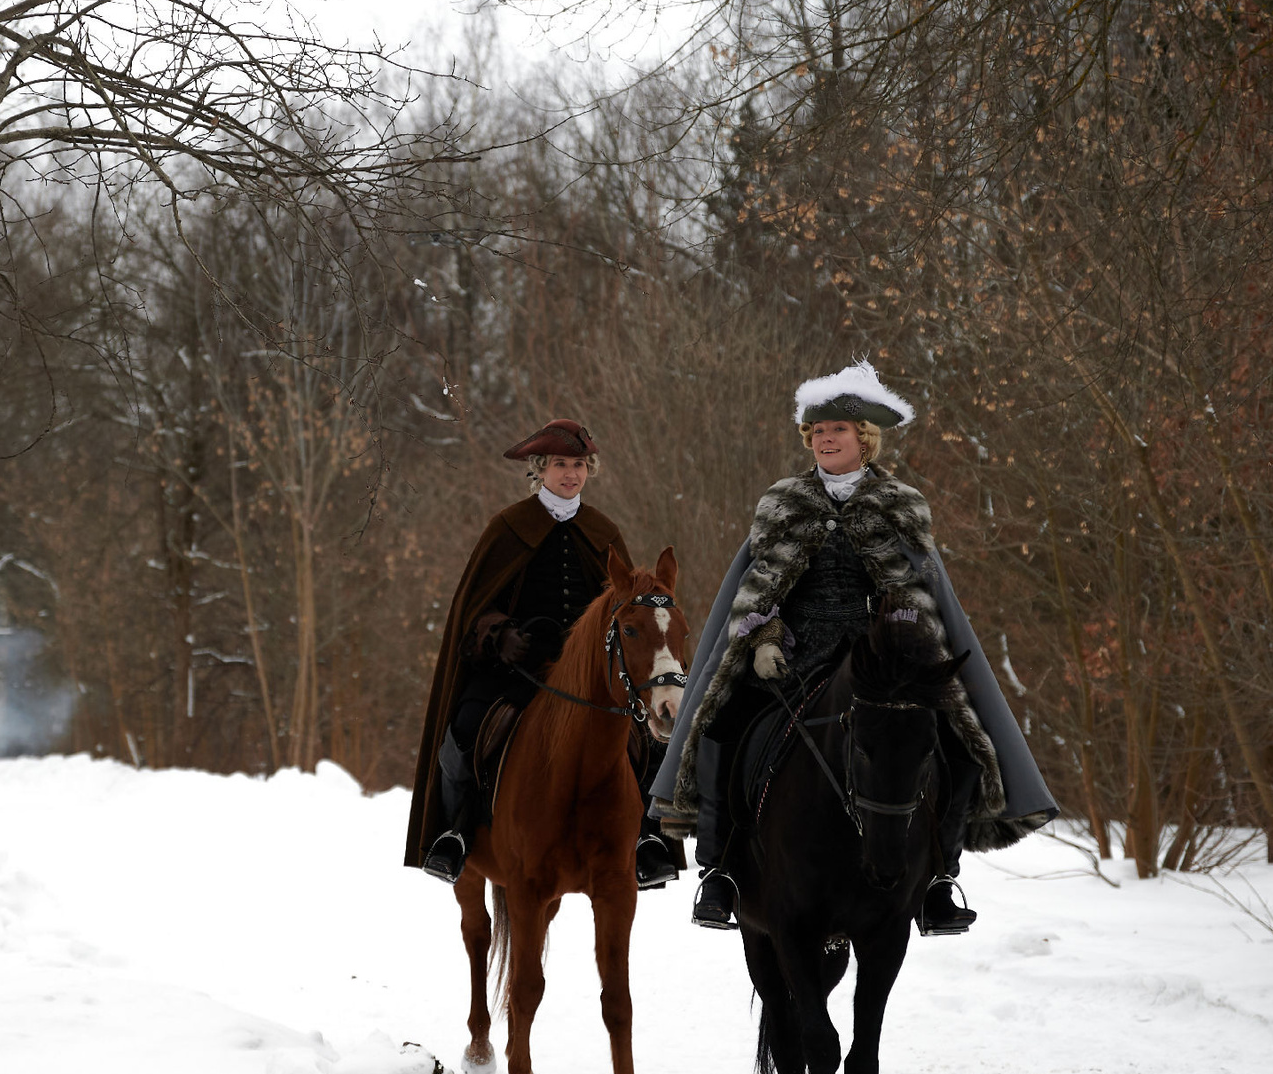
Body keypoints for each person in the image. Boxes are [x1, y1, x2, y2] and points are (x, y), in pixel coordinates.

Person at [652, 362, 1057, 932]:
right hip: (793, 659)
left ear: (864, 438)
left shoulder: (900, 504)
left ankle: (939, 880)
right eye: (817, 431)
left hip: (881, 664)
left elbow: (916, 595)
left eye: (837, 429)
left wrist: (903, 651)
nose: (825, 439)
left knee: (958, 741)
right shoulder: (782, 501)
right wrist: (764, 638)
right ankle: (718, 873)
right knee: (722, 725)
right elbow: (758, 589)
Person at [403, 418, 682, 889]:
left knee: (642, 731)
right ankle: (457, 833)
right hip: (519, 668)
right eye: (560, 464)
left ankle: (647, 838)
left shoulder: (602, 531)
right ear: (539, 469)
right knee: (467, 725)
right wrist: (499, 635)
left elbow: (626, 606)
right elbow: (474, 608)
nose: (571, 474)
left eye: (579, 465)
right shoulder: (508, 528)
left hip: (590, 673)